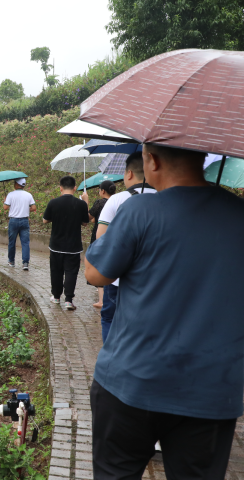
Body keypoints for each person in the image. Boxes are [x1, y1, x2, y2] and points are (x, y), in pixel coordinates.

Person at [84, 144, 244, 479]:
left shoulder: (141, 210)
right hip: (211, 391)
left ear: (151, 160)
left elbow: (95, 274)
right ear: (205, 159)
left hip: (132, 381)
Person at [89, 153, 157, 342]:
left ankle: (110, 363)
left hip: (119, 278)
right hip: (155, 280)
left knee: (110, 318)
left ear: (129, 174)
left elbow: (100, 237)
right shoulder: (166, 198)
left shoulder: (117, 199)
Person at [42, 176, 89, 310]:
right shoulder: (80, 204)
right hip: (73, 246)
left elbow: (45, 220)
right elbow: (85, 223)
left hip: (56, 245)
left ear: (61, 188)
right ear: (75, 188)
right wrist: (86, 202)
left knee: (56, 271)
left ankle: (56, 297)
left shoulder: (53, 202)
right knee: (71, 272)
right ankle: (68, 300)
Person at [82, 180, 116, 308]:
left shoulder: (100, 202)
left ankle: (101, 300)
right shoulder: (117, 202)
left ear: (102, 191)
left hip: (99, 235)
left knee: (99, 265)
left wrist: (85, 200)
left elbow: (87, 217)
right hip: (114, 236)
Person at [4, 178, 36, 270]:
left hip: (13, 221)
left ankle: (11, 261)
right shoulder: (28, 195)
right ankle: (25, 263)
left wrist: (5, 200)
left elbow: (5, 207)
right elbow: (33, 207)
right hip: (24, 221)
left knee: (12, 242)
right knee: (25, 242)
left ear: (17, 184)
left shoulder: (10, 194)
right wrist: (26, 209)